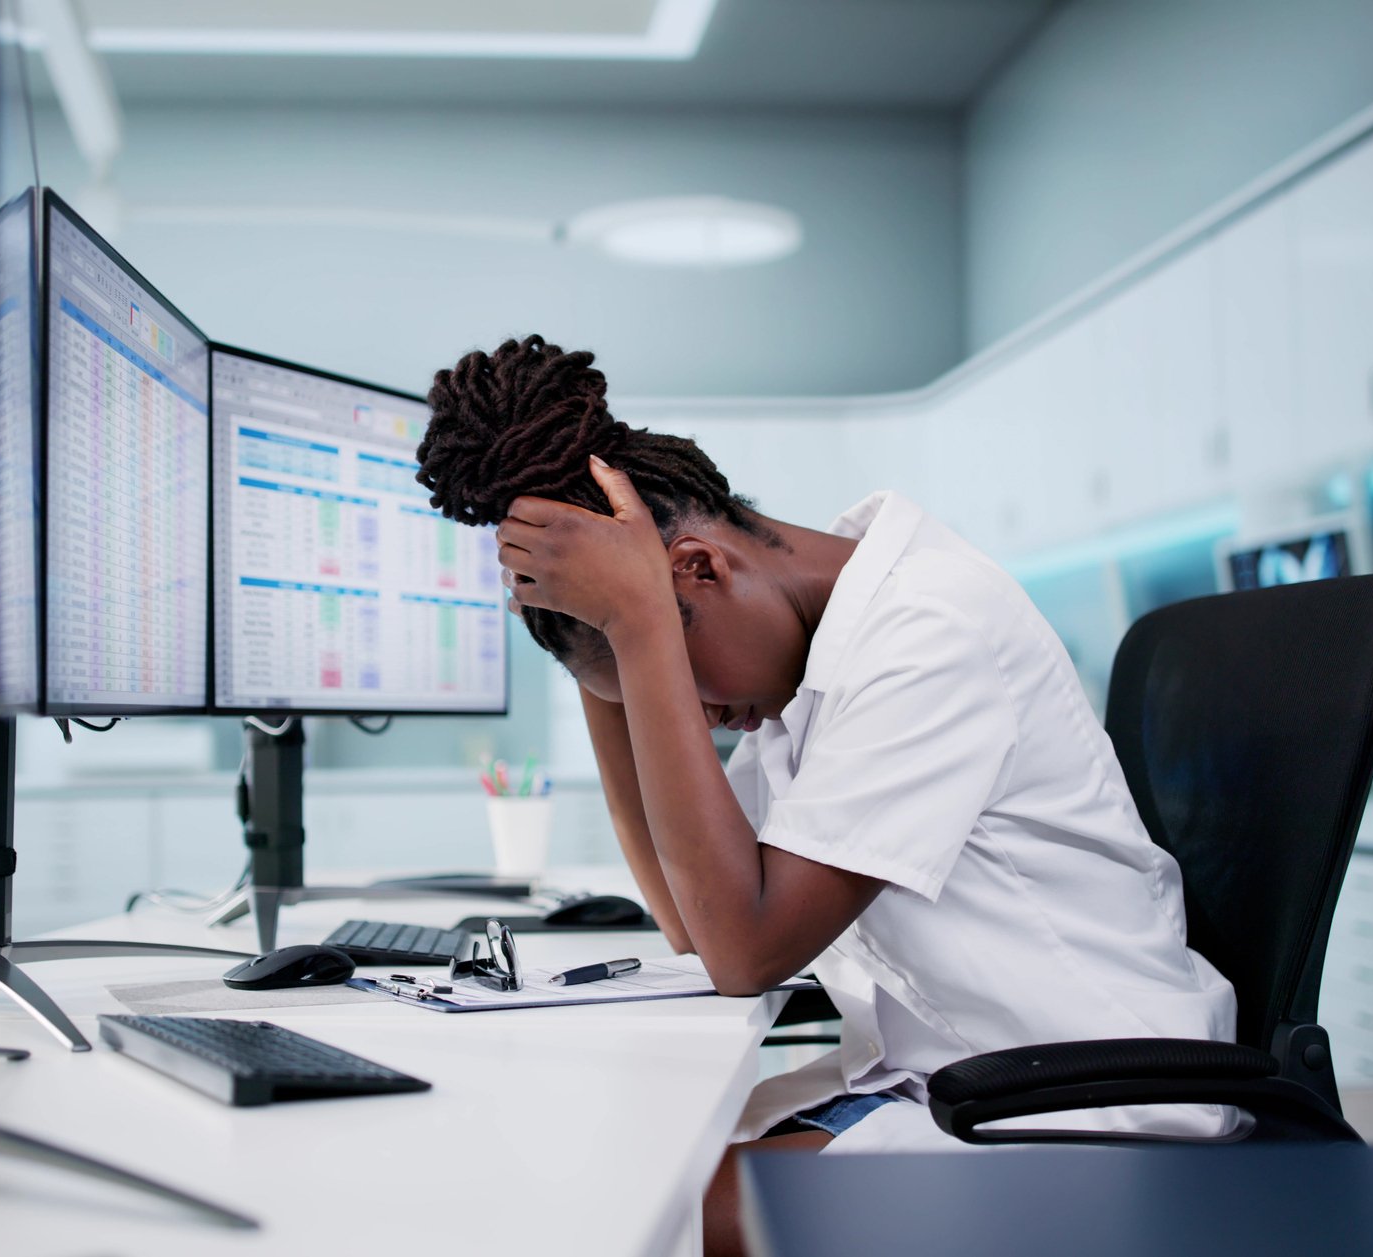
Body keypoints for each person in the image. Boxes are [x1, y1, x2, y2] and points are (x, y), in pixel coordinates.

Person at [417, 335, 1238, 1257]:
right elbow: (692, 914)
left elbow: (742, 948)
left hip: (1098, 1113)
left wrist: (638, 622)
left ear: (699, 569)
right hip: (963, 1083)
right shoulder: (808, 663)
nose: (705, 721)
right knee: (611, 1156)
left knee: (643, 1215)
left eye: (686, 690)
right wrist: (606, 632)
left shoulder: (926, 631)